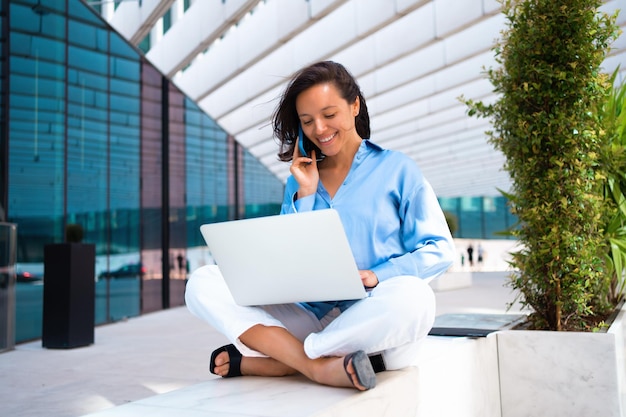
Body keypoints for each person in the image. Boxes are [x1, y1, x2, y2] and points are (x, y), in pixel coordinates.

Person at [185, 61, 455, 391]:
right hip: (309, 316)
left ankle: (292, 360)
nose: (320, 129)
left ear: (354, 105)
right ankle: (315, 367)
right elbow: (288, 259)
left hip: (370, 319)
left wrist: (378, 275)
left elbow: (440, 250)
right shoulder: (299, 183)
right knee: (203, 282)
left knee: (416, 298)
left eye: (329, 115)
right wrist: (307, 193)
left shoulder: (398, 169)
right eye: (308, 121)